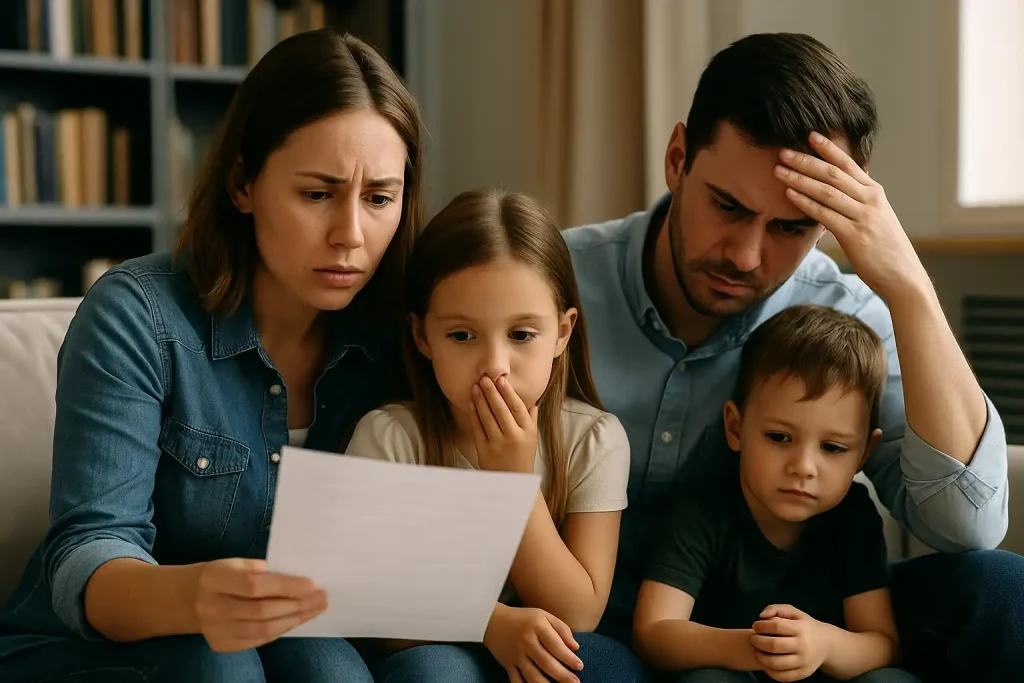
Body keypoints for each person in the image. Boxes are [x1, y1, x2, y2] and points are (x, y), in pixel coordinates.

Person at [561, 32, 1021, 683]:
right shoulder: (549, 282)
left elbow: (966, 526)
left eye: (790, 227)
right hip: (588, 627)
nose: (747, 256)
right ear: (676, 158)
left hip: (795, 634)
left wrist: (910, 289)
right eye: (729, 206)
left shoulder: (849, 316)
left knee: (1005, 591)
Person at [0, 29, 423, 683]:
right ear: (242, 183)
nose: (351, 235)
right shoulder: (136, 315)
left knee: (330, 667)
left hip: (287, 637)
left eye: (378, 198)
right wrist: (191, 594)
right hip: (89, 648)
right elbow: (88, 548)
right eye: (317, 194)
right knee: (213, 660)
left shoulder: (406, 332)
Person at [346, 188, 646, 683]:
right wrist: (488, 623)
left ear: (563, 332)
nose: (494, 367)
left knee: (593, 662)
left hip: (544, 644)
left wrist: (513, 484)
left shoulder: (594, 438)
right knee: (435, 671)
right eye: (462, 336)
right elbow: (371, 608)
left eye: (522, 335)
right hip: (436, 646)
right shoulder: (390, 438)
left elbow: (579, 614)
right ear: (423, 337)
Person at [634, 304, 920, 683]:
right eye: (779, 438)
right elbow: (653, 632)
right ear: (735, 428)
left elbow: (883, 644)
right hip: (733, 670)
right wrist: (757, 648)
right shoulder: (702, 508)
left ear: (864, 454)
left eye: (833, 448)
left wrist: (825, 645)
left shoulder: (852, 515)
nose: (803, 466)